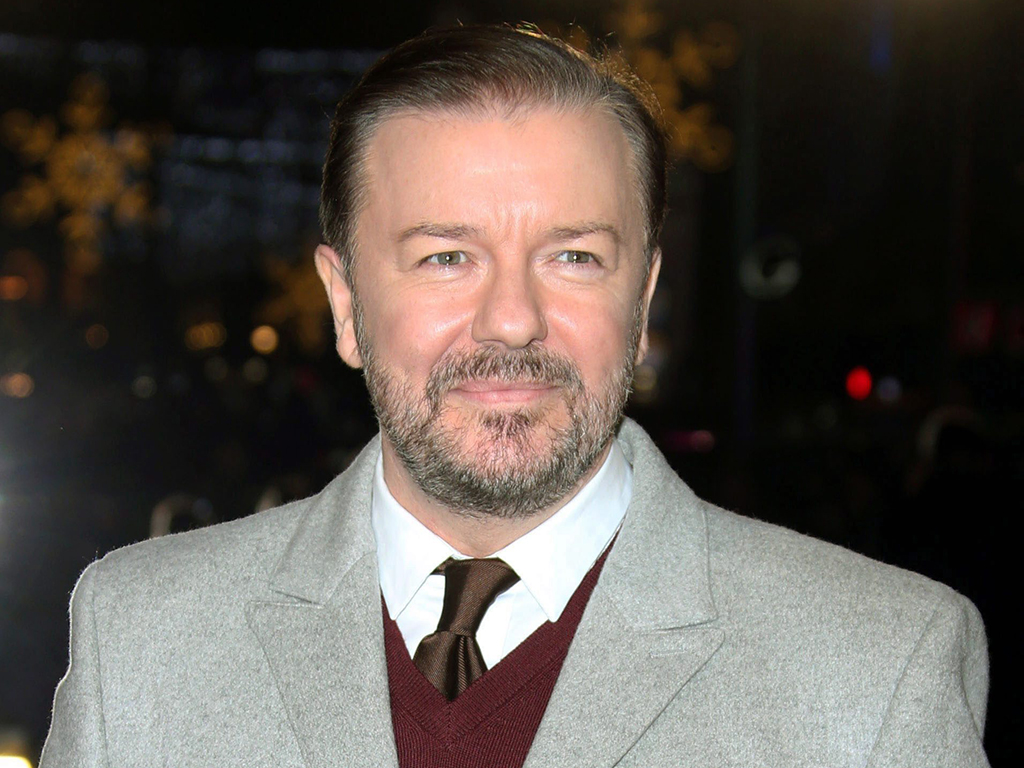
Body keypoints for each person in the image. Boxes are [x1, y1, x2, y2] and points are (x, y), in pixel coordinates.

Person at [41, 25, 990, 768]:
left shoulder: (877, 669)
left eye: (573, 257)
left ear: (644, 296)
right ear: (344, 302)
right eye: (446, 257)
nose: (511, 319)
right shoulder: (143, 640)